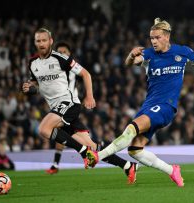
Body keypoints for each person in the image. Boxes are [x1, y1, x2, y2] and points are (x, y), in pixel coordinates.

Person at [86, 18, 194, 187]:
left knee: (131, 128)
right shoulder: (149, 55)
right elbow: (130, 63)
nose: (153, 41)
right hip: (149, 106)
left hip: (166, 107)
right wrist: (130, 55)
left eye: (157, 38)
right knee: (135, 150)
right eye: (151, 38)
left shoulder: (182, 52)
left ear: (167, 36)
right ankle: (172, 171)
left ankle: (98, 156)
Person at [22, 29, 137, 183]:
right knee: (92, 146)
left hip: (69, 103)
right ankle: (128, 166)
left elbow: (86, 74)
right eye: (38, 41)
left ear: (50, 41)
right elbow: (37, 84)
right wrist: (30, 88)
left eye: (44, 40)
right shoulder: (33, 63)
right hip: (56, 107)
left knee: (44, 129)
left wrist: (89, 95)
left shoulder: (61, 59)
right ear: (35, 43)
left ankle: (83, 153)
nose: (41, 43)